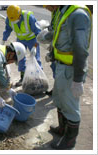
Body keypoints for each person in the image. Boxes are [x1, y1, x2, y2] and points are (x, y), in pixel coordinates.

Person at [43, 5, 92, 149]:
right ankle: (62, 129)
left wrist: (77, 80)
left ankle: (69, 142)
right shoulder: (61, 11)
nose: (48, 6)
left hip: (70, 70)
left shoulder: (78, 14)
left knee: (71, 107)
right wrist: (52, 54)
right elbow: (59, 37)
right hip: (61, 67)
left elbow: (81, 50)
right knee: (60, 99)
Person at [2, 5, 42, 87]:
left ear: (20, 14)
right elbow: (7, 30)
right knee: (20, 59)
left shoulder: (29, 17)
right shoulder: (10, 19)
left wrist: (35, 46)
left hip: (32, 40)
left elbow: (38, 33)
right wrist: (3, 40)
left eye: (17, 18)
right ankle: (23, 78)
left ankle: (39, 78)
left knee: (36, 58)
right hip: (20, 40)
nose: (15, 21)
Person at [38, 5, 61, 96]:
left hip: (60, 48)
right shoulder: (54, 12)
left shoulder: (61, 11)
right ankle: (56, 89)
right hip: (55, 44)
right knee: (54, 68)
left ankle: (59, 91)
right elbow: (54, 27)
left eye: (48, 7)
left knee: (58, 70)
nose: (47, 9)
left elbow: (59, 31)